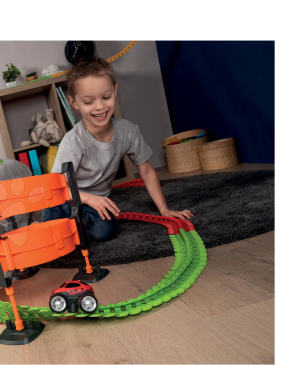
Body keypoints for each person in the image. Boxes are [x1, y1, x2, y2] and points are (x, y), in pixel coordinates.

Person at [42, 57, 194, 241]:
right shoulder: (73, 140)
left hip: (95, 202)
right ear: (74, 103)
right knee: (54, 219)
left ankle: (70, 227)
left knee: (105, 231)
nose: (100, 107)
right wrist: (89, 198)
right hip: (68, 198)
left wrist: (165, 210)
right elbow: (55, 187)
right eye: (88, 102)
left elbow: (146, 171)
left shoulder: (128, 131)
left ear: (115, 91)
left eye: (106, 97)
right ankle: (50, 227)